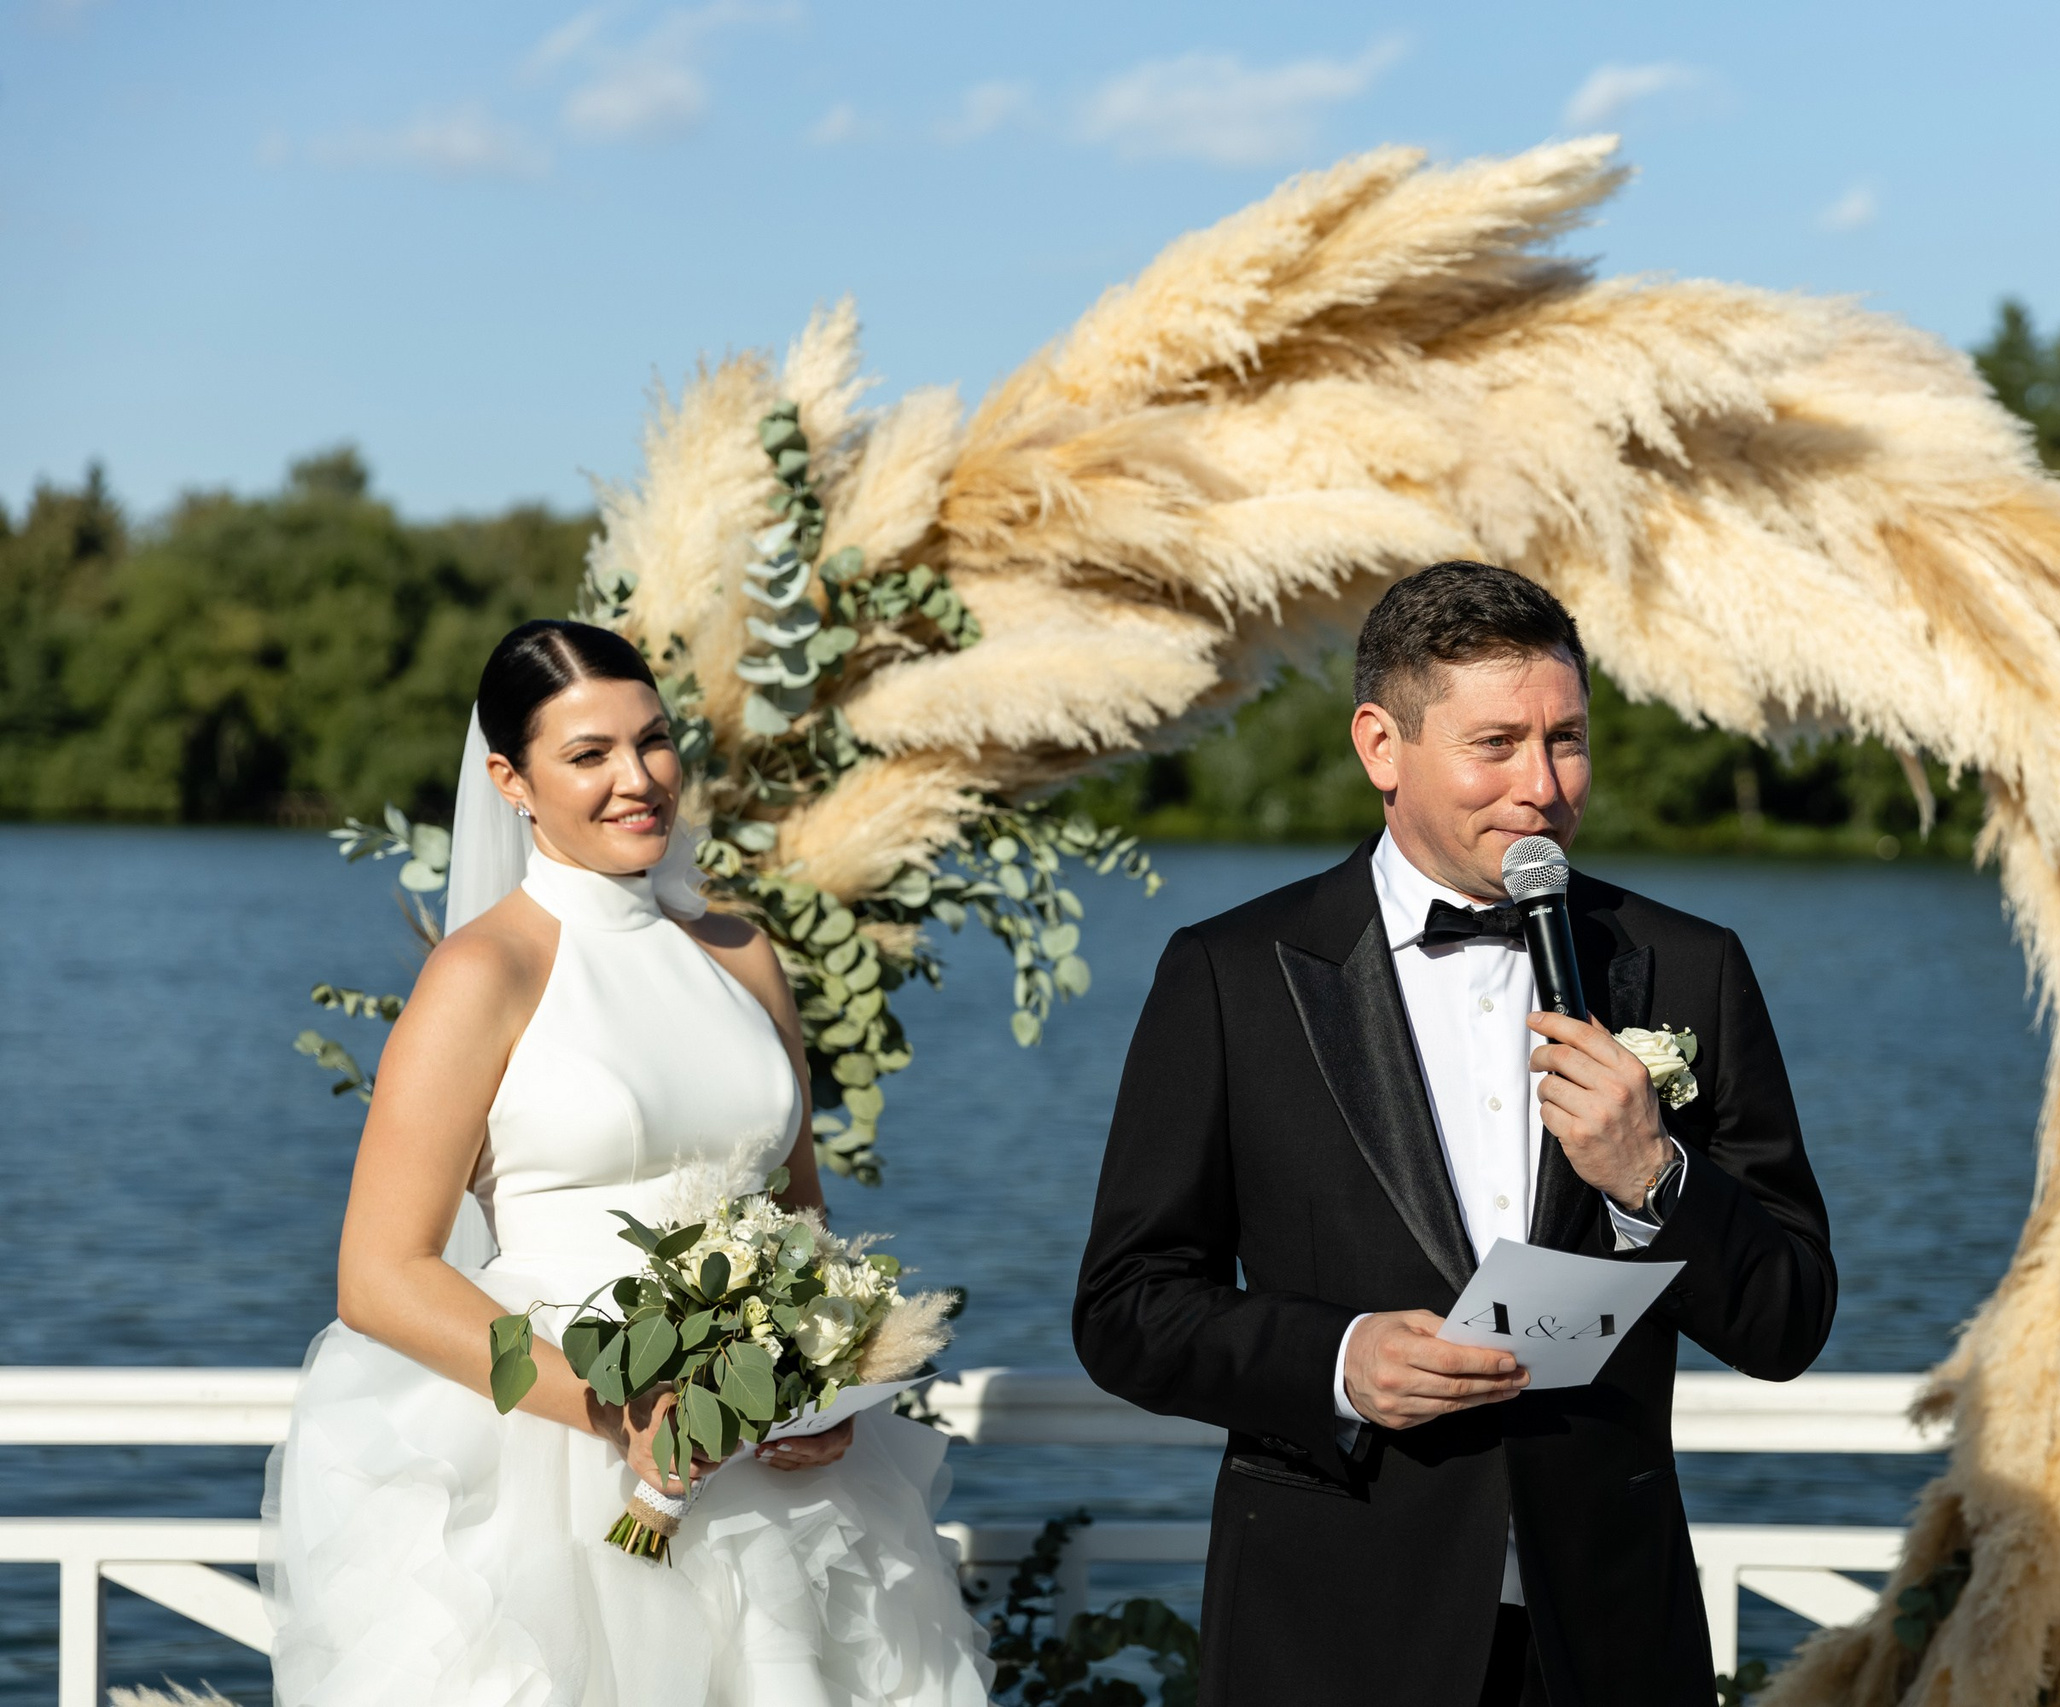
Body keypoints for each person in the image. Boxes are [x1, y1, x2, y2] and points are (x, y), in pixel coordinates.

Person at [1073, 562, 1835, 1706]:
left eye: (1566, 739)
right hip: (1334, 1628)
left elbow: (1788, 1319)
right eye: (1496, 745)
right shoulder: (1230, 975)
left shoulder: (1688, 963)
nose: (1542, 786)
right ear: (1382, 747)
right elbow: (1127, 1307)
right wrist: (1337, 1362)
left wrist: (1653, 1179)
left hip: (1608, 1637)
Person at [261, 620, 990, 1706]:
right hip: (560, 1454)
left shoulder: (743, 956)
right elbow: (380, 1275)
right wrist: (619, 1415)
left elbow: (801, 1219)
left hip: (775, 1468)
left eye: (652, 742)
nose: (636, 780)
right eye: (587, 754)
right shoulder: (483, 971)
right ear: (511, 780)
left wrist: (823, 1389)